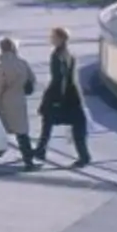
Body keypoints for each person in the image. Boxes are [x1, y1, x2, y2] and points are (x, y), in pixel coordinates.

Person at [36, 27, 89, 167]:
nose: (51, 38)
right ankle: (84, 155)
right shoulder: (69, 54)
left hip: (61, 96)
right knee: (77, 125)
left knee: (48, 120)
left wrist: (55, 100)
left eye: (53, 36)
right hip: (73, 96)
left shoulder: (57, 56)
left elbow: (59, 78)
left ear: (59, 38)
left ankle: (41, 149)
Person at [0, 37, 37, 169]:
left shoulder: (1, 66)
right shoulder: (22, 63)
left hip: (5, 103)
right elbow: (32, 80)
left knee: (0, 128)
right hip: (19, 101)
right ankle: (28, 159)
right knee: (22, 132)